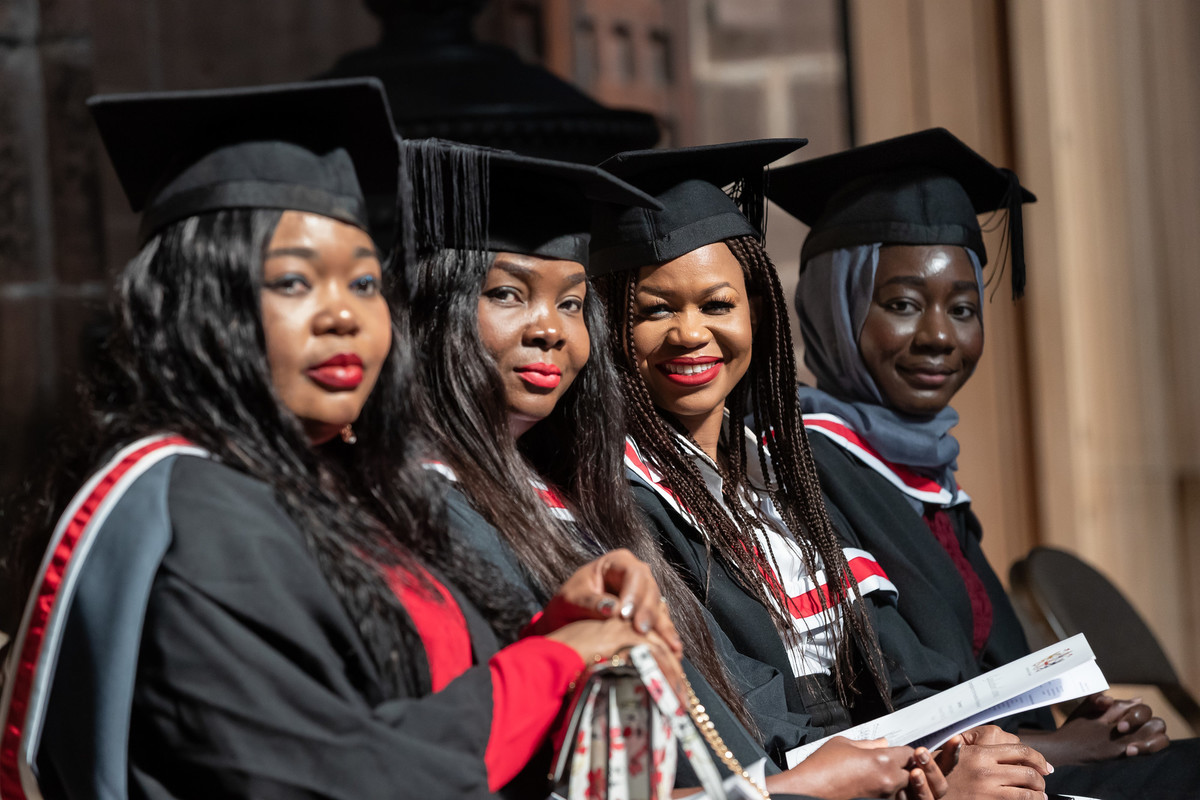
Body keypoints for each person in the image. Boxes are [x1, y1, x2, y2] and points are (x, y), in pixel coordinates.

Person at [0, 80, 680, 800]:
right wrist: (553, 662)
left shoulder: (341, 483)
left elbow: (402, 697)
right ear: (203, 300)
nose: (344, 316)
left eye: (362, 284)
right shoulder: (199, 513)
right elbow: (341, 775)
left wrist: (561, 625)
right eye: (295, 282)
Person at [403, 139, 949, 800]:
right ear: (436, 310)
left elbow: (716, 697)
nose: (549, 328)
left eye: (571, 303)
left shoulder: (567, 504)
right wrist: (792, 789)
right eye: (510, 294)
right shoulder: (432, 512)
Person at [591, 139, 1059, 800]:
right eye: (656, 309)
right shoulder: (627, 499)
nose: (691, 333)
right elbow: (747, 731)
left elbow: (895, 657)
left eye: (717, 305)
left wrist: (962, 743)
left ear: (758, 314)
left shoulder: (777, 479)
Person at [768, 126, 1200, 798]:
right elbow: (864, 708)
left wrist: (1075, 721)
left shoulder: (926, 477)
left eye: (963, 308)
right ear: (834, 306)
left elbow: (981, 672)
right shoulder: (802, 469)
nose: (940, 336)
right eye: (903, 305)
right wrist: (1061, 746)